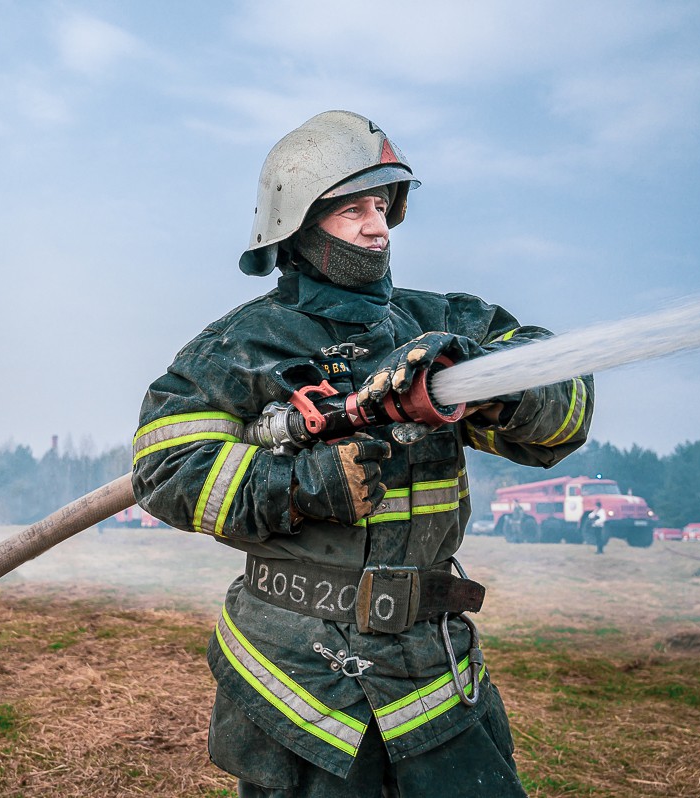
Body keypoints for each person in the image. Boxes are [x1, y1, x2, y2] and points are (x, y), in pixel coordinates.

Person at [131, 111, 594, 796]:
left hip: (430, 671)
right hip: (295, 678)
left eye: (382, 206)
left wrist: (493, 386)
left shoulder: (446, 325)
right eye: (354, 210)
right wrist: (299, 485)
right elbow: (163, 469)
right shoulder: (239, 346)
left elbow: (570, 399)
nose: (378, 225)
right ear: (299, 224)